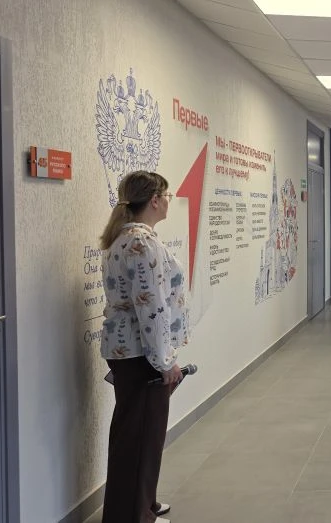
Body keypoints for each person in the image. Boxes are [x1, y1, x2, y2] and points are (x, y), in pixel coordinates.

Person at [98, 171, 187, 523]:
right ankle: (134, 516)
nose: (168, 201)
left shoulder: (125, 237)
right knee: (139, 438)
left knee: (138, 434)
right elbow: (152, 309)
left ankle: (142, 504)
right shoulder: (140, 243)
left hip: (130, 351)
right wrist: (165, 362)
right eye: (167, 195)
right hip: (141, 354)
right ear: (154, 200)